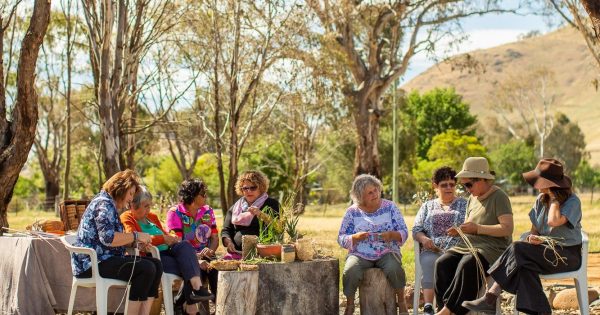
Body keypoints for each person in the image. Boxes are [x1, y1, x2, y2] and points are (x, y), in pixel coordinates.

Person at [462, 158, 582, 315]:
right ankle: (540, 311)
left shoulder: (573, 201)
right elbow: (535, 230)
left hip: (566, 256)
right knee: (523, 265)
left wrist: (554, 199)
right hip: (545, 252)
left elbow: (553, 221)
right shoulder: (540, 200)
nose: (535, 184)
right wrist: (533, 238)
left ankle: (490, 298)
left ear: (550, 184)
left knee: (517, 249)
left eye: (540, 181)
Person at [70, 169, 163, 315]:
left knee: (156, 264)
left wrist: (134, 243)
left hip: (104, 259)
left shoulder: (110, 205)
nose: (131, 199)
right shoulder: (103, 204)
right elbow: (108, 238)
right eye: (131, 194)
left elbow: (114, 238)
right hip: (91, 264)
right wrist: (136, 235)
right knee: (146, 268)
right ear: (122, 188)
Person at [434, 157, 514, 315]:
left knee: (468, 263)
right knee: (442, 263)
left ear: (482, 179)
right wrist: (460, 230)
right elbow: (470, 225)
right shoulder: (472, 198)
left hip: (492, 249)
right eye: (464, 185)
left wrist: (477, 229)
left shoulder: (499, 197)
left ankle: (448, 311)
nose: (466, 188)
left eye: (469, 184)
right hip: (468, 246)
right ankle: (442, 307)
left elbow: (507, 229)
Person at [120, 186, 214, 315]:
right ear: (133, 205)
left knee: (185, 245)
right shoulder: (127, 217)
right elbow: (134, 238)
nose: (149, 209)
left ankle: (195, 289)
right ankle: (189, 306)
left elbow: (164, 233)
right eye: (145, 206)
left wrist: (171, 237)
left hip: (170, 252)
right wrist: (163, 239)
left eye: (150, 205)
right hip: (153, 257)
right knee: (191, 266)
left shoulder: (152, 216)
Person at [338, 174, 409, 315]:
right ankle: (350, 305)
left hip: (387, 250)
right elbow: (341, 237)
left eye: (376, 190)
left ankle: (401, 302)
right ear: (360, 196)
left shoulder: (390, 207)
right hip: (360, 252)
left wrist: (392, 235)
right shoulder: (352, 212)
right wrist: (354, 237)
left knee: (394, 268)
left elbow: (404, 231)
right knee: (350, 270)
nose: (375, 194)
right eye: (370, 192)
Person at [412, 167, 467, 315]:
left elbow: (470, 227)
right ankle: (429, 306)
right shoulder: (427, 206)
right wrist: (424, 239)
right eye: (444, 184)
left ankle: (451, 308)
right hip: (432, 248)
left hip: (457, 250)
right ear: (435, 186)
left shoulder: (465, 205)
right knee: (431, 261)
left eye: (452, 184)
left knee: (452, 263)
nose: (449, 188)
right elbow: (416, 228)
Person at [166, 179, 219, 314]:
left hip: (207, 256)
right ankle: (187, 308)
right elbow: (175, 242)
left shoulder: (208, 211)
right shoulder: (175, 212)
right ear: (193, 195)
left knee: (216, 270)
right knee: (197, 271)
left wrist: (211, 250)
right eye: (203, 193)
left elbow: (214, 238)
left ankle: (220, 307)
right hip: (186, 257)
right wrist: (195, 257)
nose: (206, 196)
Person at [221, 170, 281, 259]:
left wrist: (261, 214)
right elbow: (226, 230)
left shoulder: (272, 204)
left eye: (253, 188)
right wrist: (228, 242)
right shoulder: (235, 208)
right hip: (238, 253)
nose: (249, 191)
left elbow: (279, 227)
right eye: (245, 188)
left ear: (261, 188)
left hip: (265, 255)